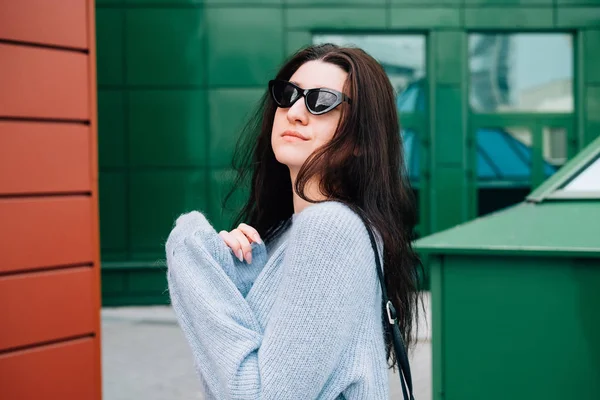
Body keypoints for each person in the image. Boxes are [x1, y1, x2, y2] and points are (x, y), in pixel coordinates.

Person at [166, 43, 422, 399]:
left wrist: (189, 251)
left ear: (361, 140)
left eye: (322, 101)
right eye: (288, 95)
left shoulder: (331, 229)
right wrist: (242, 279)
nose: (296, 112)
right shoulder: (294, 231)